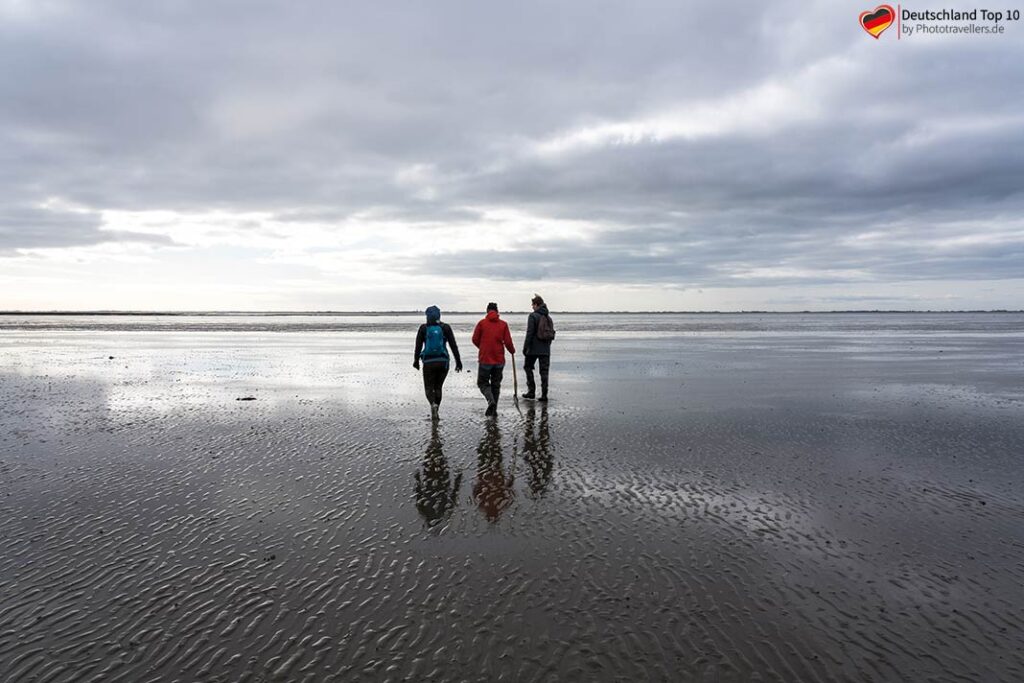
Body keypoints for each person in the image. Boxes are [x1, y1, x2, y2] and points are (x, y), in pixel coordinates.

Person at [413, 305, 462, 419]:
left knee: (429, 388)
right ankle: (437, 409)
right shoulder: (445, 327)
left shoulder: (423, 328)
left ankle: (433, 405)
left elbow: (418, 346)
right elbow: (453, 345)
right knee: (438, 387)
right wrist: (458, 362)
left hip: (429, 362)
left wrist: (416, 361)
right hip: (443, 362)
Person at [471, 302, 515, 416]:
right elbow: (508, 342)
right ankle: (494, 409)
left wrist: (482, 347)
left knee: (482, 383)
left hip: (485, 358)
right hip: (499, 359)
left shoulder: (482, 324)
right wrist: (512, 351)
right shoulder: (503, 324)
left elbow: (475, 339)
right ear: (497, 311)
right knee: (496, 385)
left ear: (487, 311)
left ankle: (491, 401)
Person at [522, 294, 554, 401]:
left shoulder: (533, 316)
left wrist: (525, 347)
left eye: (533, 304)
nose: (532, 306)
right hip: (545, 349)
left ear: (536, 304)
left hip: (533, 349)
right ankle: (544, 395)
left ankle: (531, 391)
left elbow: (530, 333)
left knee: (527, 367)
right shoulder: (548, 317)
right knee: (544, 372)